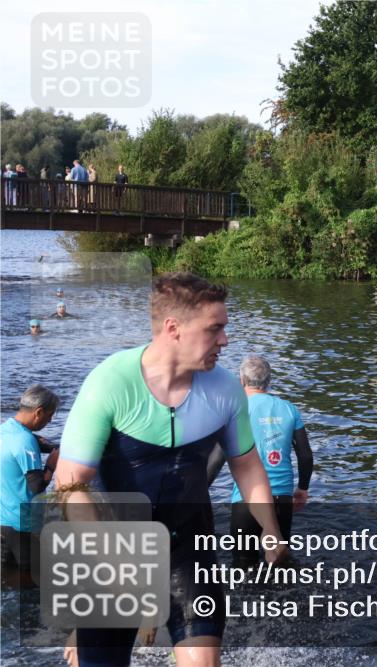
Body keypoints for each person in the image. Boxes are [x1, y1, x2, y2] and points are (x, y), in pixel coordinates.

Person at [55, 271, 286, 667]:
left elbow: (246, 466)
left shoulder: (225, 390)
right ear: (173, 328)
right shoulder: (110, 383)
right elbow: (69, 483)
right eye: (214, 329)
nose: (225, 340)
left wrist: (270, 528)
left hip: (189, 550)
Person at [230, 355, 313, 564]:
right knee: (279, 563)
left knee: (243, 565)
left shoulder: (237, 410)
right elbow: (305, 455)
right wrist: (302, 489)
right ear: (269, 381)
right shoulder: (289, 409)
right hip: (281, 498)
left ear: (241, 380)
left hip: (246, 498)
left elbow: (216, 457)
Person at [1, 385, 60, 575]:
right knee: (31, 578)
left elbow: (35, 441)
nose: (50, 421)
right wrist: (51, 465)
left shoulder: (6, 429)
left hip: (3, 521)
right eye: (50, 415)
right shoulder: (25, 441)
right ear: (38, 412)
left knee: (7, 574)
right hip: (23, 525)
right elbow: (37, 485)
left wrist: (55, 447)